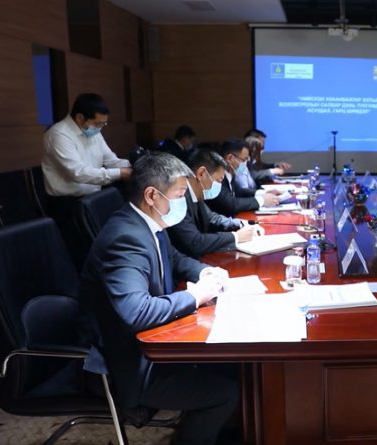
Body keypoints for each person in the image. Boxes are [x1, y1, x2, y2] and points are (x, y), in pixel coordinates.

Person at [80, 152, 238, 444]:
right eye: (179, 194)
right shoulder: (125, 239)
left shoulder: (148, 222)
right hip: (130, 366)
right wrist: (195, 296)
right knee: (225, 393)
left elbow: (174, 258)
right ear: (152, 195)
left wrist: (205, 272)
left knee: (235, 365)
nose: (183, 201)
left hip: (152, 347)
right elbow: (137, 312)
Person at [167, 149, 258, 258]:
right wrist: (235, 236)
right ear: (201, 174)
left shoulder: (197, 193)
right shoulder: (178, 199)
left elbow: (212, 218)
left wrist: (242, 224)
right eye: (218, 181)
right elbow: (195, 242)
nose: (219, 185)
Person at [42, 93, 132, 198]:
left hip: (94, 195)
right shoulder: (59, 134)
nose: (100, 127)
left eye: (103, 123)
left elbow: (110, 160)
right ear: (80, 117)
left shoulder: (93, 131)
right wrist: (120, 173)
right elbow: (78, 173)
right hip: (68, 201)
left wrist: (134, 165)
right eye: (98, 123)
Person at [205, 139, 279, 217]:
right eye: (244, 160)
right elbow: (231, 204)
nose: (245, 163)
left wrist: (263, 193)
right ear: (230, 158)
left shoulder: (230, 173)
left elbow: (239, 191)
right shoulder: (216, 177)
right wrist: (262, 200)